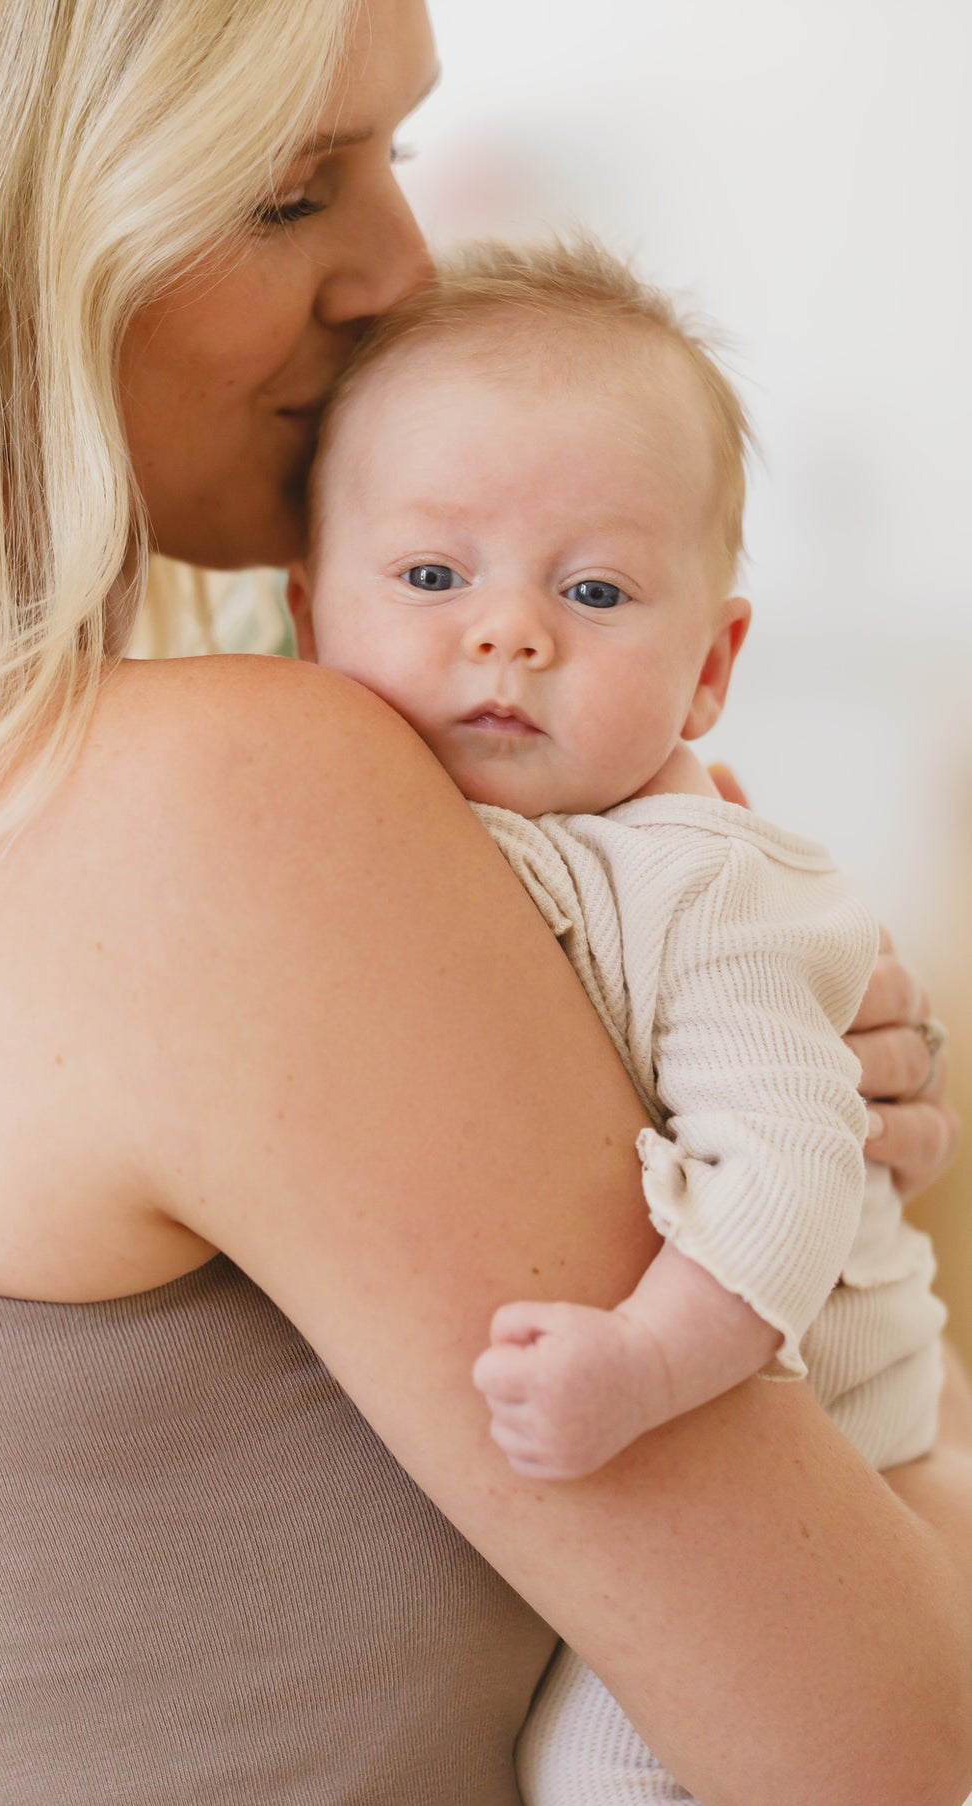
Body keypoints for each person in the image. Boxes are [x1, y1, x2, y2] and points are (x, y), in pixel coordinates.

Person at [0, 3, 968, 1803]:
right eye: (289, 190)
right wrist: (847, 1276)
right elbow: (891, 1748)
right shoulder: (227, 803)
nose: (401, 267)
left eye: (399, 156)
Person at [283, 236, 953, 1803]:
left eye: (590, 590)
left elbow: (786, 1175)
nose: (508, 631)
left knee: (596, 1764)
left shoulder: (702, 885)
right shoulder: (395, 823)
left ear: (709, 665)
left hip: (810, 1426)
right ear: (304, 609)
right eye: (434, 576)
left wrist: (641, 1369)